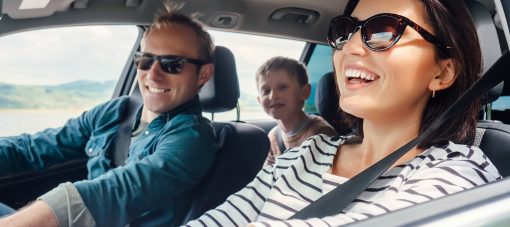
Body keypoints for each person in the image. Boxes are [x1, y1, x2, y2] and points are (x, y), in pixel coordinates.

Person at [183, 0, 502, 226]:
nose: (349, 47)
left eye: (383, 31)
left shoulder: (461, 171)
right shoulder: (308, 153)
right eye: (345, 31)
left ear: (442, 73)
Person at [0, 3, 218, 227]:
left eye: (172, 64)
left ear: (203, 74)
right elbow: (31, 148)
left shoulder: (193, 138)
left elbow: (111, 192)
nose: (153, 75)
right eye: (144, 60)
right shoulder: (115, 112)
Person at [256, 57, 337, 165]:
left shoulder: (321, 133)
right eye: (266, 91)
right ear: (259, 100)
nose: (272, 96)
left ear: (304, 92)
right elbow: (269, 175)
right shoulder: (274, 136)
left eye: (282, 87)